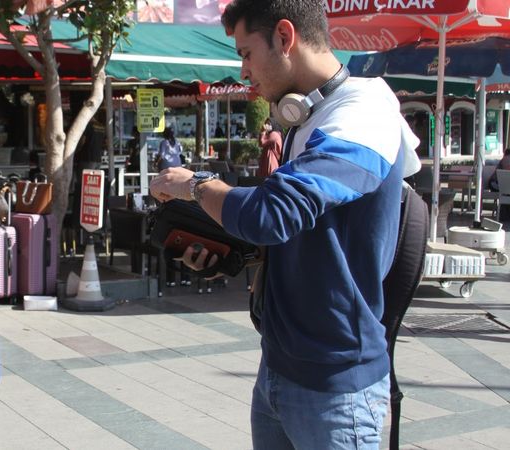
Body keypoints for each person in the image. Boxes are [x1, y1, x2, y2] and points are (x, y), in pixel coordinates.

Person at [149, 1, 421, 448]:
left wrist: (195, 185)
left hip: (336, 387)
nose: (243, 71)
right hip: (278, 367)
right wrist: (232, 255)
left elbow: (273, 213)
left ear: (284, 37)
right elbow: (302, 235)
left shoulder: (364, 112)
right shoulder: (309, 117)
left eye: (246, 53)